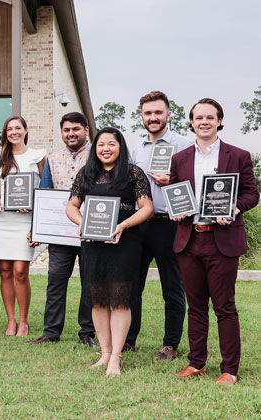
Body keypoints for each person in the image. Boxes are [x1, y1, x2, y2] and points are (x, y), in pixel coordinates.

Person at [171, 98, 259, 385]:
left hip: (222, 240)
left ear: (219, 121)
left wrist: (233, 209)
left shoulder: (239, 155)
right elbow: (175, 193)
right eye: (199, 117)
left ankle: (229, 369)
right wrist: (177, 209)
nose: (204, 121)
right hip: (189, 239)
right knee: (195, 306)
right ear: (192, 122)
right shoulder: (180, 158)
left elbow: (251, 194)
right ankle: (197, 363)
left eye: (210, 117)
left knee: (224, 306)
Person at [66, 127, 153, 375]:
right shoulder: (87, 173)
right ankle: (104, 353)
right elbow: (72, 206)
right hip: (92, 245)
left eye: (111, 144)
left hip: (124, 243)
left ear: (120, 147)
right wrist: (82, 222)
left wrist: (123, 224)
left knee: (120, 299)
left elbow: (146, 207)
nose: (106, 148)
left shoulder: (133, 173)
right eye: (101, 144)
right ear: (95, 149)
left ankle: (116, 356)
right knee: (98, 299)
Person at [126, 91, 192, 359]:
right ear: (141, 116)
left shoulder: (185, 145)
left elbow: (197, 183)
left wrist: (173, 180)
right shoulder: (135, 149)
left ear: (168, 114)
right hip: (140, 225)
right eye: (148, 113)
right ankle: (128, 339)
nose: (153, 118)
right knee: (132, 286)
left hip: (170, 223)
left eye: (158, 113)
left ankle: (170, 344)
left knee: (172, 287)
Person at [29, 112, 96, 347]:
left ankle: (87, 332)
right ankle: (51, 332)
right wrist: (36, 229)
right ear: (61, 133)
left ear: (86, 130)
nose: (71, 134)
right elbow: (45, 193)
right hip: (60, 231)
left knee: (90, 281)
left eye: (76, 129)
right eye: (66, 130)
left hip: (90, 229)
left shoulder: (98, 155)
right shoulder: (53, 159)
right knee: (56, 279)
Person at [0, 116, 46, 337]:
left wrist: (32, 208)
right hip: (1, 219)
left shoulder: (38, 156)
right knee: (4, 271)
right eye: (9, 129)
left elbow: (45, 187)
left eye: (17, 128)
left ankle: (24, 321)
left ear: (25, 130)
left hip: (24, 220)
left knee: (20, 272)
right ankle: (11, 321)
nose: (13, 132)